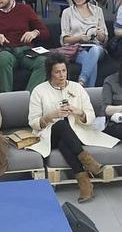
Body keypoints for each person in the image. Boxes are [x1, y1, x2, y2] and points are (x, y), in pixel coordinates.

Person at [28, 53, 118, 203]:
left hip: (74, 134)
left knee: (66, 143)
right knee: (61, 125)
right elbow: (33, 121)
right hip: (49, 134)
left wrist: (79, 112)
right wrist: (50, 116)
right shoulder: (39, 90)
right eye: (57, 72)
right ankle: (90, 163)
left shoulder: (77, 88)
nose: (62, 75)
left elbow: (90, 116)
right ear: (50, 72)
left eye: (64, 71)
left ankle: (85, 184)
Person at [60, 0, 108, 88]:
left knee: (94, 50)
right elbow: (64, 40)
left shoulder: (97, 11)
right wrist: (80, 37)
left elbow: (104, 38)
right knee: (90, 60)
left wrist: (100, 34)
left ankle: (81, 82)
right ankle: (89, 93)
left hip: (97, 47)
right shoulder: (67, 12)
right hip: (77, 49)